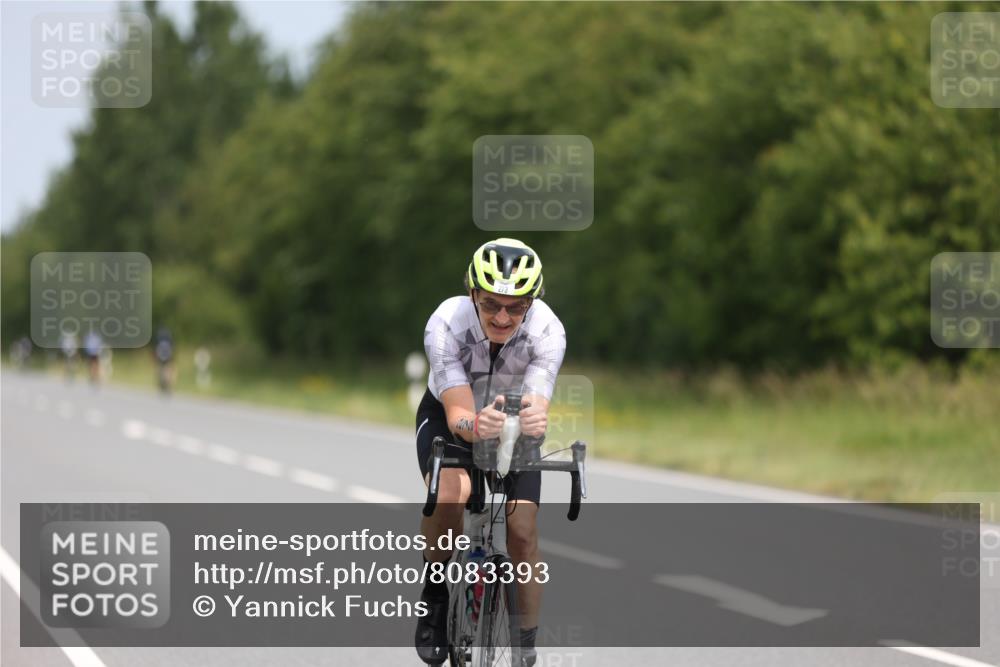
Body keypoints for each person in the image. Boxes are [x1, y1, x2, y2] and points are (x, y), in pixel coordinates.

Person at [415, 238, 566, 666]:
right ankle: (435, 593)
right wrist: (475, 426)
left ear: (531, 304)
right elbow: (460, 412)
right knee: (451, 492)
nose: (502, 317)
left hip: (513, 420)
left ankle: (525, 648)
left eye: (516, 307)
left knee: (521, 528)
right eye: (491, 304)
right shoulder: (446, 322)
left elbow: (537, 400)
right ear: (472, 295)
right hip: (451, 414)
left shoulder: (548, 331)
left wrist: (536, 419)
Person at [153, 327, 176, 394]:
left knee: (159, 369)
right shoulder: (169, 340)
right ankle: (168, 386)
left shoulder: (159, 340)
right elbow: (172, 349)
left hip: (160, 356)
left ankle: (161, 384)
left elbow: (156, 349)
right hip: (168, 356)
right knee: (168, 369)